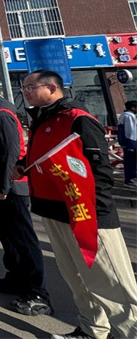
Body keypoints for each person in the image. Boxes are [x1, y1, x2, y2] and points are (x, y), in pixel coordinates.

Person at [17, 70, 137, 339]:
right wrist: (22, 165)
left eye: (30, 87)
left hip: (85, 214)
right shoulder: (41, 120)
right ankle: (92, 330)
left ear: (52, 88)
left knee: (111, 283)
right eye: (23, 87)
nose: (25, 92)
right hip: (53, 212)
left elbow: (99, 170)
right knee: (77, 279)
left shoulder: (77, 119)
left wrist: (93, 211)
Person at [0, 76, 51, 316]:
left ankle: (37, 293)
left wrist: (3, 187)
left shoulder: (1, 115)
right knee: (6, 235)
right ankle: (15, 278)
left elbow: (10, 153)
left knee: (22, 238)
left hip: (10, 189)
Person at [117, 100, 137, 187]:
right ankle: (131, 179)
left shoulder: (125, 115)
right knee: (131, 161)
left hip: (128, 141)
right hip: (131, 141)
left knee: (131, 161)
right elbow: (130, 131)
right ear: (133, 108)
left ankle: (131, 178)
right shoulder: (129, 116)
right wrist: (131, 143)